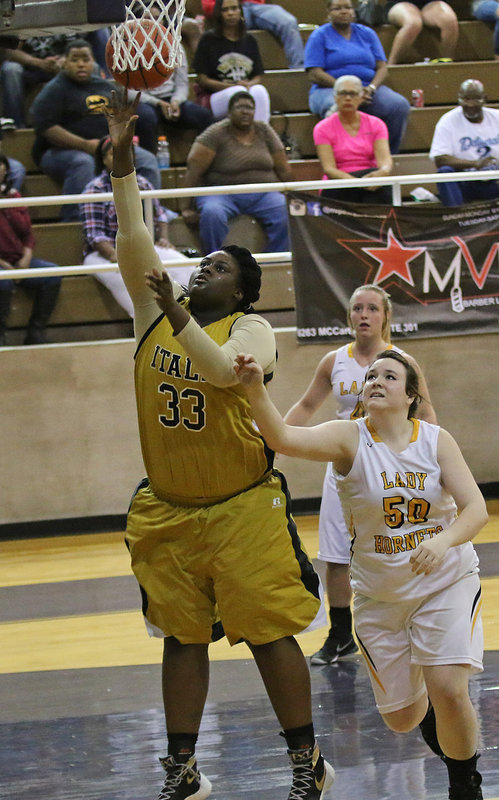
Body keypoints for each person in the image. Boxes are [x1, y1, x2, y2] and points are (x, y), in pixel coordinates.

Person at [105, 89, 334, 800]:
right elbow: (132, 234)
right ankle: (181, 769)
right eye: (201, 261)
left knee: (268, 634)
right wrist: (120, 158)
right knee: (183, 639)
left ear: (241, 295)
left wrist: (175, 307)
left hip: (241, 506)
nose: (204, 269)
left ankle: (306, 764)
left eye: (220, 269)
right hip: (169, 509)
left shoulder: (251, 334)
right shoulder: (155, 313)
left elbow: (213, 370)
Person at [235, 347, 487, 800]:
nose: (375, 381)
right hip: (380, 596)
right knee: (401, 720)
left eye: (389, 376)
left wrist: (442, 540)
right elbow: (282, 437)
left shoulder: (435, 440)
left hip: (445, 581)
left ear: (410, 395)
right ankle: (432, 709)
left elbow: (476, 510)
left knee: (449, 687)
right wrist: (254, 389)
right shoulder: (348, 438)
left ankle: (465, 786)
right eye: (371, 375)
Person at [284, 284, 436, 665]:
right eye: (357, 309)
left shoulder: (403, 361)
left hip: (391, 468)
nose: (363, 315)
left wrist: (431, 461)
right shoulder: (335, 360)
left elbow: (427, 415)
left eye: (371, 308)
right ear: (349, 316)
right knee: (336, 554)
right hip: (346, 464)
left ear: (386, 315)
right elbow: (306, 405)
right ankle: (340, 634)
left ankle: (408, 620)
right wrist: (275, 441)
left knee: (398, 544)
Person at [30, 39, 160, 220]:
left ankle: (149, 216)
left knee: (147, 160)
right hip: (60, 152)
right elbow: (46, 128)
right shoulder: (54, 90)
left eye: (86, 59)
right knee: (82, 163)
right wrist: (85, 145)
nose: (81, 64)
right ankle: (74, 220)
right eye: (75, 60)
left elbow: (122, 117)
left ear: (94, 62)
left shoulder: (106, 86)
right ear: (64, 62)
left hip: (107, 148)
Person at [80, 136, 191, 318]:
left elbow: (159, 215)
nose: (119, 158)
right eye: (111, 154)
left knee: (184, 266)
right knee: (124, 280)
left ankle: (189, 318)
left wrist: (164, 238)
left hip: (142, 246)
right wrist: (114, 255)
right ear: (103, 159)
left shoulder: (143, 183)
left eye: (126, 154)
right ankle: (146, 323)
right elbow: (94, 235)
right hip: (103, 253)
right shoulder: (94, 189)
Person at [179, 91, 292, 254]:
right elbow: (193, 169)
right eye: (240, 107)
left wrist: (295, 195)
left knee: (286, 210)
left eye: (250, 108)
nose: (245, 111)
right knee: (212, 213)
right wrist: (185, 207)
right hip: (221, 192)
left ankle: (272, 261)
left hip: (263, 193)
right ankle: (214, 260)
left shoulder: (264, 130)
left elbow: (283, 167)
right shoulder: (215, 133)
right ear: (229, 112)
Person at [304, 0, 410, 154]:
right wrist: (347, 90)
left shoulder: (367, 33)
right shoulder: (319, 36)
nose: (344, 12)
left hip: (366, 88)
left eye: (348, 8)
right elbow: (314, 73)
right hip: (329, 89)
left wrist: (370, 88)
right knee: (335, 106)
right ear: (328, 12)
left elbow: (382, 68)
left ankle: (387, 155)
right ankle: (339, 157)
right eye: (337, 8)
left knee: (398, 105)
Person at [0, 153, 61, 345]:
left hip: (19, 259)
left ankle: (36, 331)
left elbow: (27, 234)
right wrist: (6, 267)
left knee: (52, 274)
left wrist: (26, 257)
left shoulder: (14, 196)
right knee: (4, 283)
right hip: (2, 264)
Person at [0, 31, 111, 129]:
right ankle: (16, 125)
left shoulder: (69, 13)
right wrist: (37, 62)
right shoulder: (27, 16)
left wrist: (66, 60)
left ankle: (95, 120)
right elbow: (10, 51)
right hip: (31, 67)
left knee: (93, 66)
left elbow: (81, 47)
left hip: (65, 64)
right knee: (10, 69)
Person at [313, 74, 393, 204]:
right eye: (343, 93)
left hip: (370, 181)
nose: (348, 98)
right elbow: (329, 169)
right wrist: (357, 183)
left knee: (381, 185)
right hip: (339, 183)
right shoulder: (322, 128)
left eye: (353, 94)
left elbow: (385, 161)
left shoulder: (376, 124)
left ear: (361, 97)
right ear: (335, 98)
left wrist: (383, 172)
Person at [192, 0, 271, 123]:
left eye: (234, 8)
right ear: (218, 13)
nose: (230, 13)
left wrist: (249, 84)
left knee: (259, 90)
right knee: (239, 93)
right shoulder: (208, 40)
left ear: (240, 11)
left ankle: (262, 135)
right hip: (214, 97)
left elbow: (258, 76)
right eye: (225, 10)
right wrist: (233, 86)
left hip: (243, 89)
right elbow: (202, 79)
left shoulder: (250, 40)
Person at [429, 78, 499, 207]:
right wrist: (476, 164)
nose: (471, 105)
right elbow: (440, 159)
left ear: (485, 98)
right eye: (466, 99)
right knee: (444, 173)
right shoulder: (447, 121)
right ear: (459, 99)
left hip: (494, 181)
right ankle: (457, 220)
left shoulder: (496, 118)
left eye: (476, 99)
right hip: (465, 181)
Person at [201, 0, 305, 68]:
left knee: (288, 22)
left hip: (257, 6)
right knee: (235, 22)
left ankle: (299, 69)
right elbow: (208, 7)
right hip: (230, 8)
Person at [384, 0, 458, 65]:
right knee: (413, 23)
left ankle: (445, 63)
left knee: (449, 21)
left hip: (431, 3)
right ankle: (391, 66)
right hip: (399, 3)